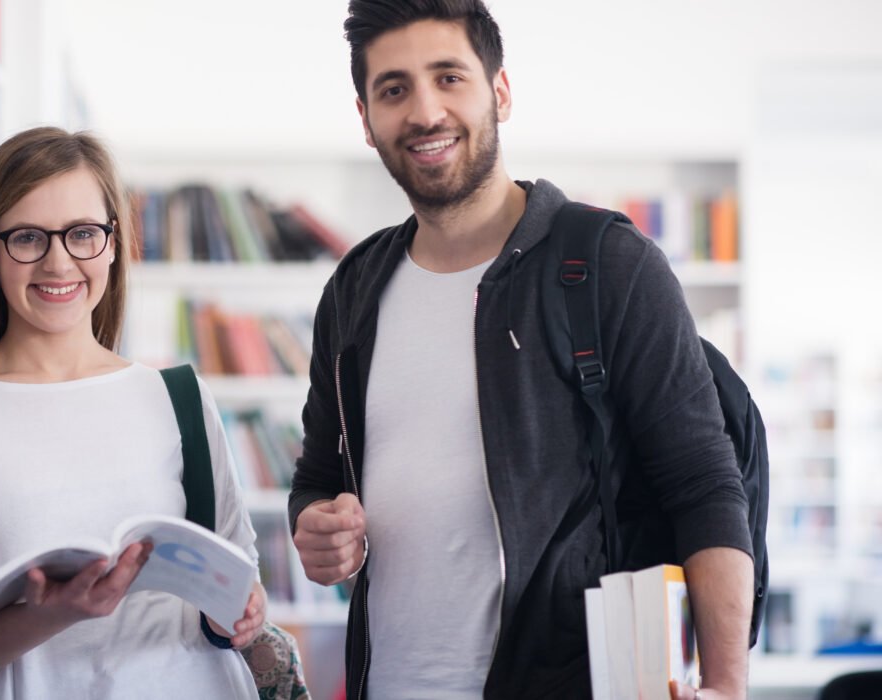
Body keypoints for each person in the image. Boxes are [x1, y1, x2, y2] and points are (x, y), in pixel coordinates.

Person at [288, 2, 755, 698]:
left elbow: (705, 485)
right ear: (366, 118)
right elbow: (320, 473)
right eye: (394, 89)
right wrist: (315, 528)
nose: (424, 111)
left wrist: (728, 687)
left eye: (449, 77)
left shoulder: (610, 265)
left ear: (499, 91)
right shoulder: (354, 288)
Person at [0, 127, 265, 698]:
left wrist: (240, 615)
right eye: (27, 237)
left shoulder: (179, 399)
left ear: (113, 243)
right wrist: (56, 612)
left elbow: (236, 584)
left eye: (83, 234)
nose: (58, 262)